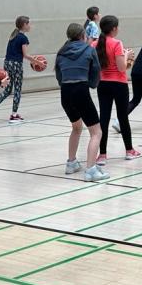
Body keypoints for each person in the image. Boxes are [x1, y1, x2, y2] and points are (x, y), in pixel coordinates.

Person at [55, 22, 106, 181]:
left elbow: (59, 75)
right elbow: (96, 72)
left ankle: (71, 163)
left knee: (76, 127)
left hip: (65, 93)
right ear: (83, 35)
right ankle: (91, 170)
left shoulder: (61, 52)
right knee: (96, 132)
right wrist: (92, 84)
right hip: (80, 90)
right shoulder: (89, 50)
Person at [93, 15, 141, 166]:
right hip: (119, 84)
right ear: (114, 28)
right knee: (123, 117)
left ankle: (102, 155)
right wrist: (127, 56)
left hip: (103, 84)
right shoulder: (117, 43)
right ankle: (129, 151)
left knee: (104, 119)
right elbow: (121, 68)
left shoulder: (94, 44)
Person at [0, 15, 39, 125]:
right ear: (24, 25)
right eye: (29, 23)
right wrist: (37, 62)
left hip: (7, 63)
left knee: (7, 90)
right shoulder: (23, 38)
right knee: (18, 90)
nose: (30, 26)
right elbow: (25, 55)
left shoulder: (13, 36)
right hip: (16, 65)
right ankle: (14, 115)